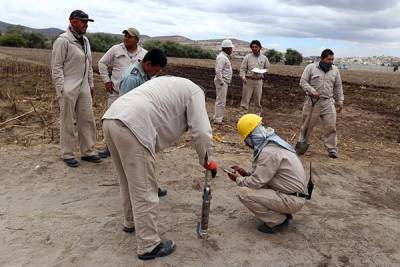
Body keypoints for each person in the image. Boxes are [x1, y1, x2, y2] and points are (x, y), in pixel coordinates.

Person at [102, 76, 216, 260]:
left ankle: (130, 222)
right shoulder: (195, 93)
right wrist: (207, 160)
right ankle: (148, 245)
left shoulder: (173, 84)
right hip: (134, 126)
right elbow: (202, 131)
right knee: (145, 189)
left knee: (127, 180)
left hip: (111, 118)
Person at [226, 114, 308, 234]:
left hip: (292, 199)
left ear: (251, 137)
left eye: (246, 140)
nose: (246, 144)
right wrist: (245, 174)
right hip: (294, 196)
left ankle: (277, 220)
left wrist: (238, 179)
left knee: (244, 192)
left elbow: (256, 183)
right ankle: (282, 212)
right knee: (253, 185)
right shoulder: (273, 143)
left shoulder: (268, 152)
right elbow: (264, 176)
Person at [51, 10, 101, 167]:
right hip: (69, 87)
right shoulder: (63, 40)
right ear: (72, 21)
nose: (86, 24)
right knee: (67, 121)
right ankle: (67, 154)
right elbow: (56, 67)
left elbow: (88, 64)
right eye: (83, 21)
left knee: (87, 119)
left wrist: (91, 84)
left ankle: (88, 152)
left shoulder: (85, 41)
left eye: (87, 22)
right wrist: (62, 89)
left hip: (84, 87)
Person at [98, 27, 147, 158]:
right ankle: (109, 148)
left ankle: (128, 148)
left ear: (137, 39)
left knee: (132, 121)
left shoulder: (144, 54)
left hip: (135, 95)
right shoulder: (116, 49)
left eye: (129, 37)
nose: (126, 38)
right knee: (110, 120)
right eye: (125, 36)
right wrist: (106, 81)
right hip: (116, 92)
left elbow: (150, 73)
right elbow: (102, 63)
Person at [295, 49, 344, 158]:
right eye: (328, 59)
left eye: (332, 59)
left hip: (328, 102)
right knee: (307, 126)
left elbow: (338, 86)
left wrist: (340, 101)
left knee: (331, 126)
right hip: (312, 102)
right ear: (322, 58)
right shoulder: (311, 68)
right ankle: (302, 145)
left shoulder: (335, 70)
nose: (331, 61)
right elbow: (302, 82)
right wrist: (312, 91)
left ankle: (332, 148)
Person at [239, 40, 270, 115]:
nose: (254, 48)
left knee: (257, 101)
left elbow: (267, 69)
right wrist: (243, 77)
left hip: (259, 81)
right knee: (245, 100)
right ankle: (241, 116)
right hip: (248, 81)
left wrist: (262, 71)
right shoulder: (247, 57)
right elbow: (242, 69)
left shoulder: (264, 58)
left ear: (260, 48)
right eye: (252, 47)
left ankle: (257, 117)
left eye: (256, 47)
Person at [213, 39, 233, 124]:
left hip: (223, 81)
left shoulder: (223, 56)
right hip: (222, 81)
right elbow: (218, 70)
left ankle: (217, 116)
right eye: (231, 48)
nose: (232, 50)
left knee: (220, 100)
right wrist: (221, 81)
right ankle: (218, 119)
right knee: (221, 101)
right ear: (227, 48)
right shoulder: (222, 57)